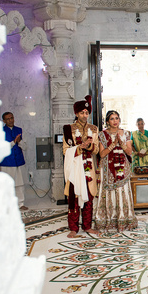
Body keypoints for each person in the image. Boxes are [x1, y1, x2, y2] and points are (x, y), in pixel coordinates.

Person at [95, 110, 138, 232]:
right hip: (108, 170)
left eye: (117, 118)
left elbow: (129, 152)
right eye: (112, 119)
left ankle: (124, 219)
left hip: (122, 170)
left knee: (122, 191)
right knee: (110, 193)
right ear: (108, 121)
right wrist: (113, 145)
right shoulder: (102, 135)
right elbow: (102, 154)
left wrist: (121, 144)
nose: (115, 121)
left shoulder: (126, 133)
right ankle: (110, 220)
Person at [62, 95, 99, 237]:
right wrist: (78, 148)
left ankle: (87, 226)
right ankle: (73, 228)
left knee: (89, 199)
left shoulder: (94, 129)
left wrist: (88, 147)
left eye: (87, 112)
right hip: (75, 169)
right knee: (74, 198)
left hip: (89, 168)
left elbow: (96, 150)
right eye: (82, 112)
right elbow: (66, 151)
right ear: (76, 114)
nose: (85, 115)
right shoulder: (68, 129)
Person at [0, 112, 28, 211]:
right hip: (7, 162)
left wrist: (19, 141)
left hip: (18, 161)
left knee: (20, 184)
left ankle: (21, 204)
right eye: (7, 119)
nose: (10, 120)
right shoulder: (1, 131)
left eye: (11, 118)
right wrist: (13, 142)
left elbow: (24, 147)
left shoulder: (18, 130)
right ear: (4, 121)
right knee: (7, 184)